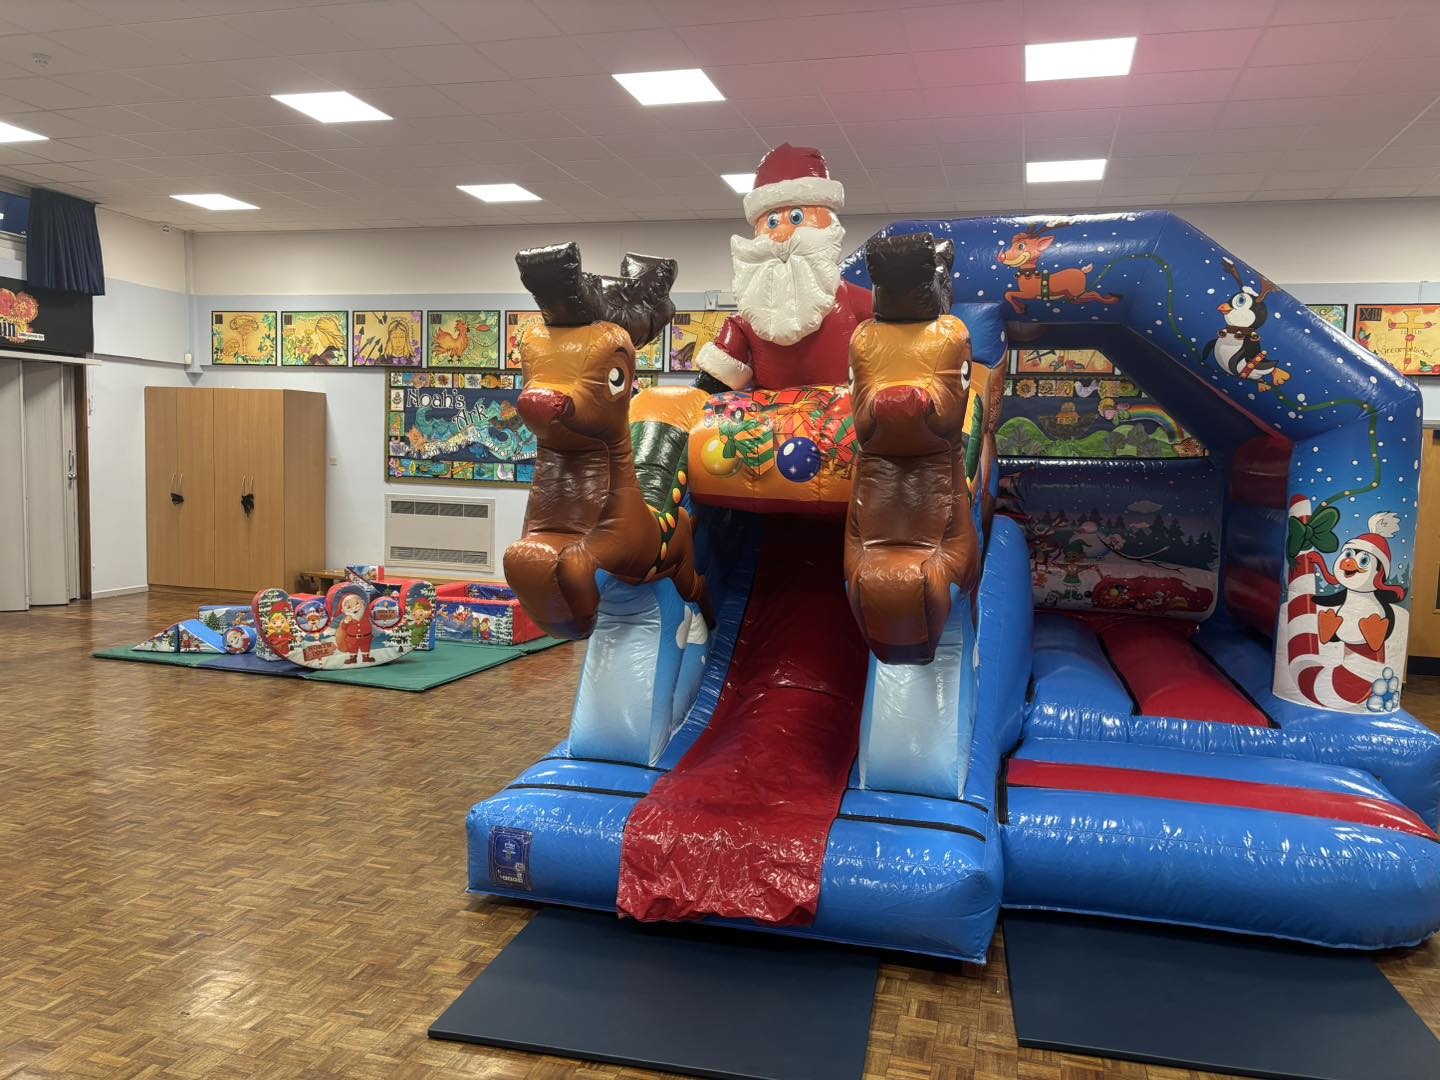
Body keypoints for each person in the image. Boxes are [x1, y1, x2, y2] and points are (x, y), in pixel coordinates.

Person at [694, 143, 872, 393]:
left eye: (796, 217)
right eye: (772, 222)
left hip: (840, 419)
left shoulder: (853, 301)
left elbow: (893, 345)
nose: (782, 234)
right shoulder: (748, 317)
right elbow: (716, 377)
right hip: (770, 421)